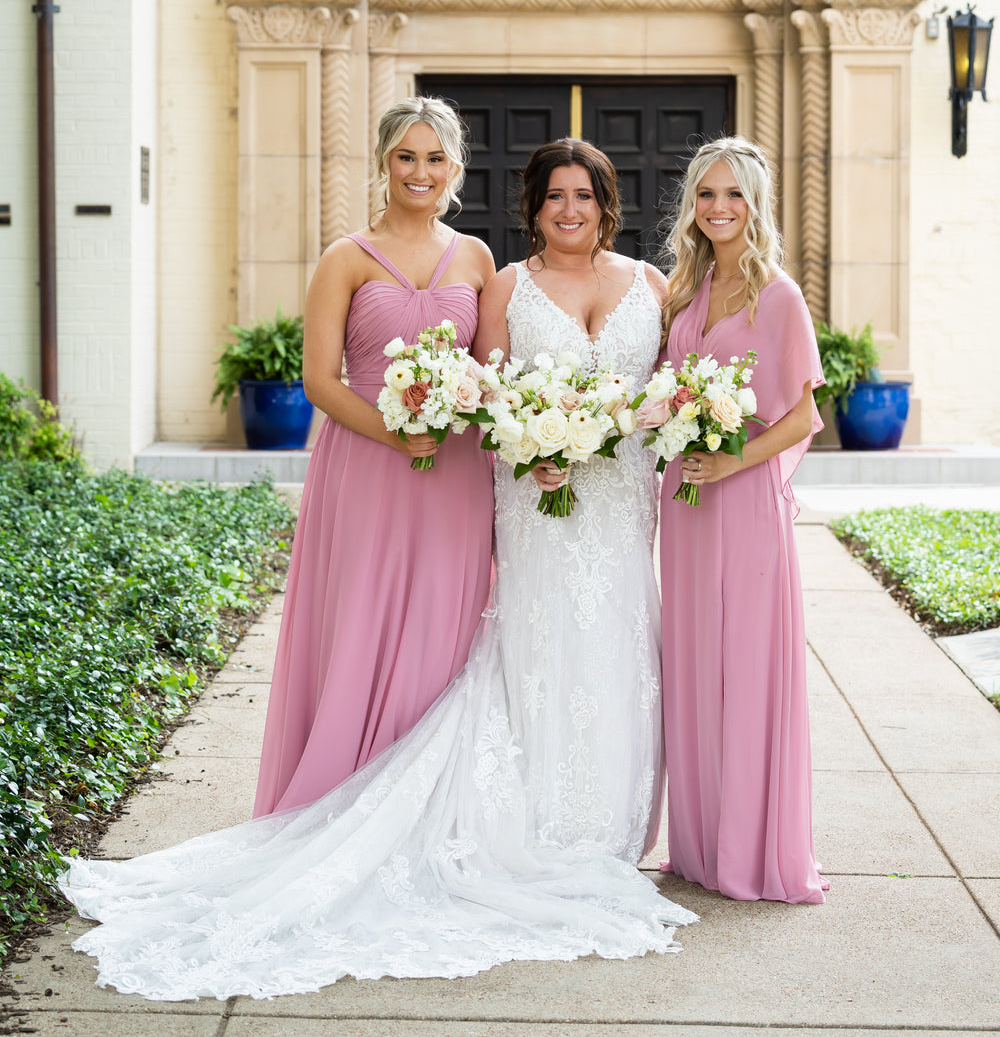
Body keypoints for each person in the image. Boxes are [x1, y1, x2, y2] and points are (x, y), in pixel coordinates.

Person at [58, 138, 694, 1001]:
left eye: (584, 195)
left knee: (620, 659)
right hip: (538, 506)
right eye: (554, 197)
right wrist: (534, 450)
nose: (569, 210)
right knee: (536, 657)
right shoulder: (502, 282)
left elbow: (672, 386)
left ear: (608, 203)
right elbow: (495, 388)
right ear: (532, 207)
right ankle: (534, 826)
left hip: (619, 511)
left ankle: (607, 834)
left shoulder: (652, 286)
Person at [253, 95, 495, 816]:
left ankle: (423, 804)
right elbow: (319, 380)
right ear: (385, 162)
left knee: (444, 625)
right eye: (405, 156)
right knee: (361, 618)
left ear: (454, 167)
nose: (420, 171)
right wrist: (395, 432)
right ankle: (342, 788)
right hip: (364, 463)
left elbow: (490, 374)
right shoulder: (345, 258)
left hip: (455, 474)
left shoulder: (477, 258)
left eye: (434, 157)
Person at [657, 136, 828, 904]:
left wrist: (732, 461)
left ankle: (754, 852)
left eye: (733, 195)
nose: (719, 208)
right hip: (688, 503)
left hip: (744, 498)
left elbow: (802, 418)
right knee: (695, 662)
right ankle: (698, 849)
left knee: (747, 665)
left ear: (755, 205)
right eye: (706, 195)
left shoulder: (778, 296)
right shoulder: (685, 289)